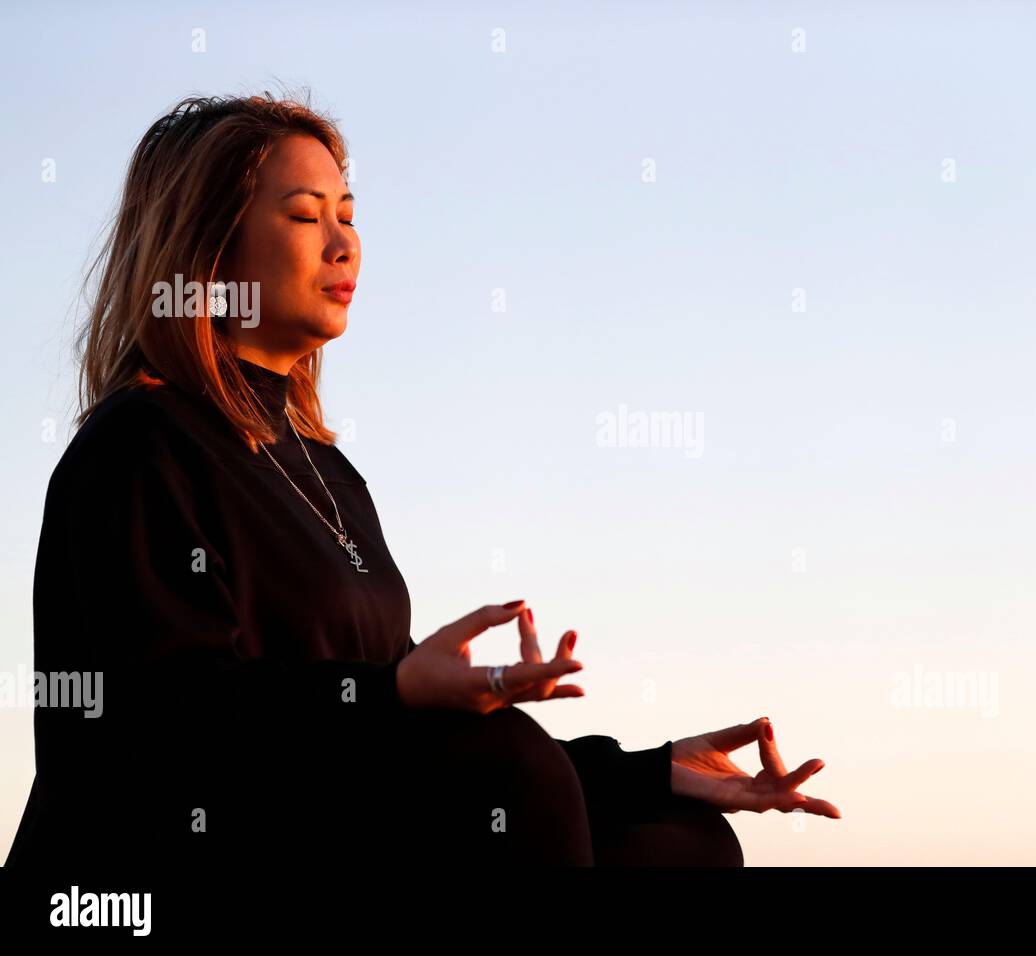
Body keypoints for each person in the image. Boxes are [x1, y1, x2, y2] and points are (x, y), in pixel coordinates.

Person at [5, 92, 840, 869]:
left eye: (348, 214)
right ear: (209, 250)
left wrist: (648, 771)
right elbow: (162, 730)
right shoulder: (138, 447)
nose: (344, 243)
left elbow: (385, 703)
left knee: (675, 839)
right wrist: (396, 692)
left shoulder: (326, 472)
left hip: (334, 812)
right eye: (304, 215)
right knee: (505, 770)